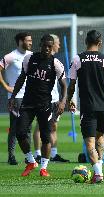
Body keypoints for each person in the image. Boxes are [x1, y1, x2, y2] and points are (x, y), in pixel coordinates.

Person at [8, 34, 67, 177]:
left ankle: (44, 168)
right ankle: (31, 161)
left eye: (49, 46)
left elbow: (64, 84)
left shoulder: (56, 63)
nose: (47, 48)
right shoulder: (29, 58)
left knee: (46, 138)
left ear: (52, 47)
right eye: (44, 45)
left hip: (45, 105)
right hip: (27, 102)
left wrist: (63, 101)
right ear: (40, 45)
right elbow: (22, 77)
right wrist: (13, 96)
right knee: (20, 132)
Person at [68, 30, 104, 184]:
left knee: (89, 142)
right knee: (100, 137)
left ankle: (98, 174)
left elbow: (72, 85)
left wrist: (70, 100)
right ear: (100, 42)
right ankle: (100, 169)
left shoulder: (77, 59)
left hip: (88, 107)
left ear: (85, 42)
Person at [33, 34, 69, 163]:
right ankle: (37, 154)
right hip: (43, 99)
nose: (59, 45)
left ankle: (54, 154)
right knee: (40, 126)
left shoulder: (55, 61)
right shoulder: (38, 59)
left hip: (54, 98)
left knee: (53, 127)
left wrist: (62, 100)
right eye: (58, 43)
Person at [0, 32, 32, 165]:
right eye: (28, 40)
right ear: (20, 41)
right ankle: (11, 156)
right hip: (16, 97)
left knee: (28, 127)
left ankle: (28, 156)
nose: (30, 42)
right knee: (15, 127)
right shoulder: (11, 56)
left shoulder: (31, 56)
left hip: (30, 97)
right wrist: (6, 87)